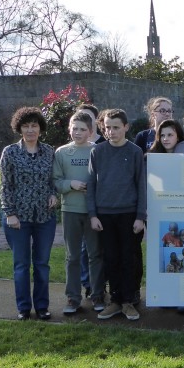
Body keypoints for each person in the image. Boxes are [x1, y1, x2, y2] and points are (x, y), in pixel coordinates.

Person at [87, 109, 147, 321]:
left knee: (128, 258)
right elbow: (91, 185)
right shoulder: (97, 151)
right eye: (107, 128)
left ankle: (128, 301)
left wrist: (140, 216)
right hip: (104, 215)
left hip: (129, 214)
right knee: (111, 258)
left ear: (126, 127)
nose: (111, 131)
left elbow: (141, 184)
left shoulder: (135, 152)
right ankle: (115, 300)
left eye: (116, 127)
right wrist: (93, 215)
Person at [0, 107, 58, 321]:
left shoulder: (49, 151)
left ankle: (42, 307)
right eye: (26, 126)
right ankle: (23, 307)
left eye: (34, 125)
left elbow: (54, 180)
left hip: (45, 217)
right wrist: (10, 213)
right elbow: (5, 185)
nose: (30, 130)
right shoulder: (10, 152)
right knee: (22, 265)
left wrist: (54, 194)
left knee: (42, 264)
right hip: (18, 218)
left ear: (40, 128)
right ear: (19, 128)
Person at [52, 111, 104, 314]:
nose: (78, 132)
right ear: (69, 129)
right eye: (74, 128)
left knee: (95, 255)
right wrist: (71, 184)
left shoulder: (97, 150)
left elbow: (104, 179)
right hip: (70, 210)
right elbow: (56, 181)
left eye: (83, 129)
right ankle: (73, 298)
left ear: (91, 131)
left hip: (93, 212)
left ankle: (97, 295)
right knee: (72, 256)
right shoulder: (62, 152)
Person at [75, 103, 105, 299]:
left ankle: (100, 285)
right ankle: (88, 284)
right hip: (79, 206)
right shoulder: (73, 145)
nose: (84, 121)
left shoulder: (104, 143)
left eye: (88, 118)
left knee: (99, 249)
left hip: (101, 205)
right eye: (80, 117)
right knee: (83, 249)